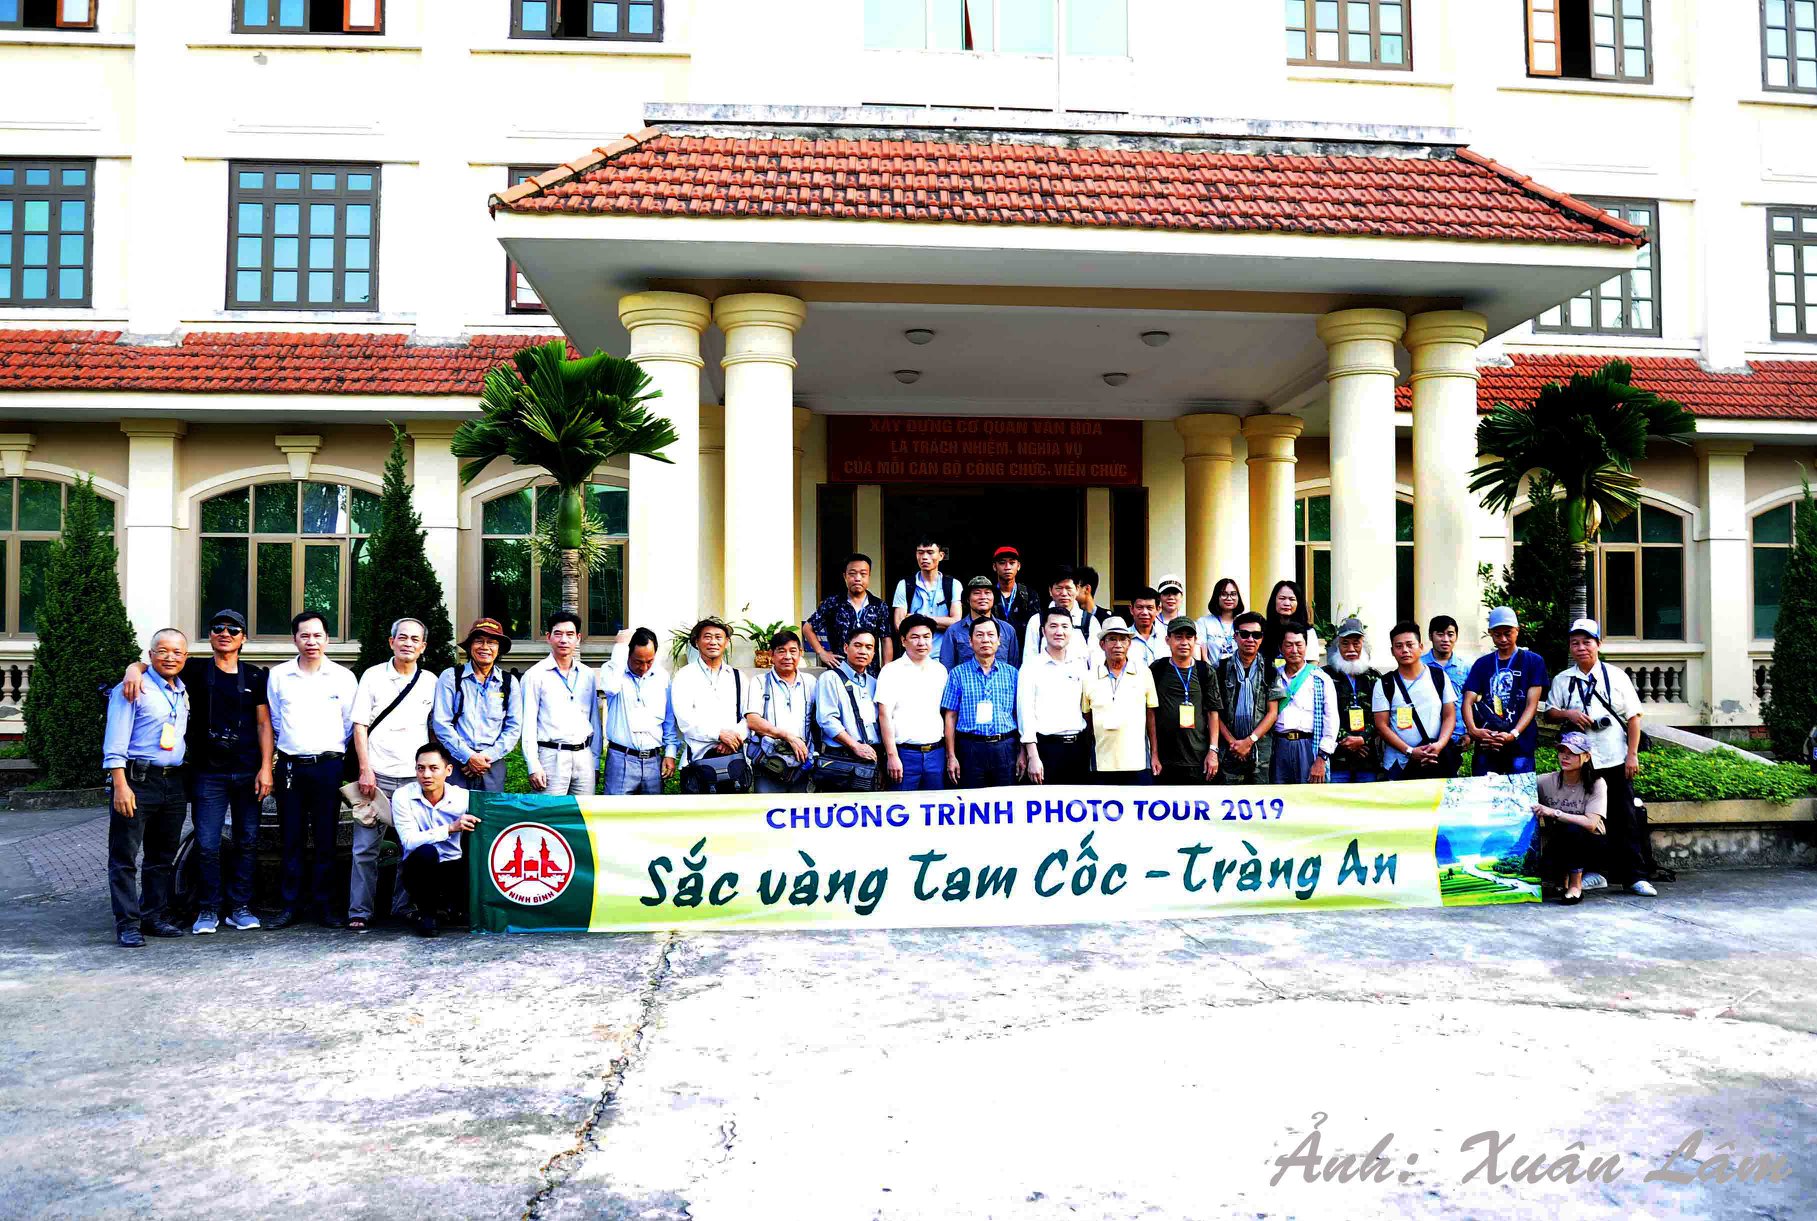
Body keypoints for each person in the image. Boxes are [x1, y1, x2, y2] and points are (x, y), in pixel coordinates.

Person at [120, 608, 273, 934]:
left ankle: (240, 906)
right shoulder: (194, 669)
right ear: (210, 635)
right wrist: (133, 669)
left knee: (247, 840)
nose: (225, 633)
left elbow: (264, 725)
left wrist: (266, 768)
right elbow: (157, 663)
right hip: (208, 774)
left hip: (248, 772)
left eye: (233, 629)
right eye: (218, 627)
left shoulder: (256, 676)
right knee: (206, 843)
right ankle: (208, 908)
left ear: (243, 638)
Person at [1547, 619, 1655, 897]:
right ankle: (1594, 873)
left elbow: (1633, 718)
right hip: (1581, 763)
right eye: (1575, 643)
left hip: (1614, 757)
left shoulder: (1616, 677)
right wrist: (1569, 714)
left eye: (1587, 642)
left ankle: (1634, 876)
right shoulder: (1563, 680)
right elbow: (1550, 712)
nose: (1581, 647)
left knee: (1625, 817)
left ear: (1598, 644)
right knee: (1584, 818)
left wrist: (1632, 755)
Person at [266, 611, 357, 929]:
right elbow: (276, 721)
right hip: (291, 767)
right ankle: (290, 904)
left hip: (328, 767)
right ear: (294, 639)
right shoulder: (279, 675)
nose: (311, 641)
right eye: (304, 635)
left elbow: (349, 724)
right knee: (289, 838)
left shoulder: (343, 677)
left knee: (325, 839)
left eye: (317, 635)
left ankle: (326, 906)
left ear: (327, 639)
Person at [348, 616, 438, 931]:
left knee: (412, 847)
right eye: (402, 637)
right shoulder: (373, 676)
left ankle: (405, 907)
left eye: (415, 639)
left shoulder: (430, 681)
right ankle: (360, 910)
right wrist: (365, 769)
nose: (408, 643)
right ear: (391, 641)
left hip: (415, 780)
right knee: (365, 848)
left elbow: (434, 729)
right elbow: (360, 725)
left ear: (423, 646)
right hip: (377, 776)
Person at [103, 628, 192, 947]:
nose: (170, 657)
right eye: (162, 651)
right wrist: (120, 785)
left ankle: (153, 915)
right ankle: (128, 923)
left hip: (173, 782)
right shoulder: (132, 687)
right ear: (150, 654)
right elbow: (115, 740)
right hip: (136, 781)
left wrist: (134, 666)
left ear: (185, 657)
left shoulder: (181, 690)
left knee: (162, 855)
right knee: (124, 856)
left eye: (177, 652)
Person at [390, 742, 480, 937]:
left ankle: (458, 908)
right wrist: (449, 828)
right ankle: (427, 914)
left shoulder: (463, 797)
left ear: (448, 770)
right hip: (420, 869)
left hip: (455, 868)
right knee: (424, 851)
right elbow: (408, 841)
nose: (426, 775)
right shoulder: (403, 796)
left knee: (473, 840)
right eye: (420, 768)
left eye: (433, 768)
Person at [432, 617, 521, 794]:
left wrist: (484, 758)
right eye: (479, 641)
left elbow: (513, 728)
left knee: (490, 810)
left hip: (492, 764)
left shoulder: (509, 682)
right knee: (454, 809)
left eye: (491, 642)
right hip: (456, 761)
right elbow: (441, 723)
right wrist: (468, 756)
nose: (485, 647)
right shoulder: (451, 677)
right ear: (470, 646)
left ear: (499, 649)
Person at [522, 611, 602, 795]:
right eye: (558, 634)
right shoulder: (534, 675)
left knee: (582, 812)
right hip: (551, 757)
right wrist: (533, 765)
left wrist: (595, 762)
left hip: (584, 757)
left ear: (578, 638)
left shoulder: (587, 675)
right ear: (548, 637)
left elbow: (594, 721)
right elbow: (528, 724)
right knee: (550, 812)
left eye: (570, 634)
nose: (564, 640)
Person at [1463, 607, 1549, 776]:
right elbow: (1468, 700)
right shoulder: (1482, 664)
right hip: (1488, 742)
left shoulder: (1533, 661)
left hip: (1520, 744)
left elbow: (1531, 705)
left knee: (1520, 790)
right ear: (1490, 633)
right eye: (1497, 634)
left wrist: (1513, 734)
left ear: (1517, 630)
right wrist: (1473, 730)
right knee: (1485, 789)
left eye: (1508, 633)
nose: (1503, 639)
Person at [1373, 621, 1458, 781]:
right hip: (1400, 763)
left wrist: (1439, 745)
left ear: (1421, 646)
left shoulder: (1438, 676)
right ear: (1392, 651)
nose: (1405, 650)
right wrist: (1410, 751)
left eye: (1410, 645)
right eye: (1399, 646)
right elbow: (1381, 725)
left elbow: (1449, 715)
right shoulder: (1385, 683)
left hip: (1436, 758)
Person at [941, 617, 1021, 788]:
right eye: (979, 635)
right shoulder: (957, 674)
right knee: (971, 799)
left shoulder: (1012, 674)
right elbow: (950, 716)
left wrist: (1022, 752)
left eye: (991, 635)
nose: (985, 639)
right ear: (970, 641)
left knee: (1005, 800)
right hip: (970, 748)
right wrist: (951, 756)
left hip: (1005, 747)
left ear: (999, 640)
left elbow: (1020, 715)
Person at [1018, 607, 1092, 786]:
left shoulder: (1079, 665)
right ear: (1043, 631)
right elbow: (1025, 712)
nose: (1059, 632)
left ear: (1072, 632)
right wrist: (1032, 755)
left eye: (1065, 627)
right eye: (1053, 626)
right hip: (1046, 749)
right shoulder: (1031, 666)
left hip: (1078, 747)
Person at [1534, 731, 1608, 906]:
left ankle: (1575, 886)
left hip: (1591, 843)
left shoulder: (1597, 783)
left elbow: (1591, 824)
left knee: (1573, 830)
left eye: (1573, 753)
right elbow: (1519, 788)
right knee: (1545, 864)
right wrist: (1496, 781)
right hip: (1558, 841)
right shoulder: (1546, 781)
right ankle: (1561, 880)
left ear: (1586, 757)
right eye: (1562, 751)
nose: (1565, 757)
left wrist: (1554, 812)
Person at [875, 614, 948, 791]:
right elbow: (884, 716)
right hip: (904, 754)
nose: (921, 642)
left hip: (936, 753)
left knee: (935, 806)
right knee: (901, 806)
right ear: (903, 641)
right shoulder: (891, 671)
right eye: (915, 637)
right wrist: (892, 755)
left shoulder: (940, 670)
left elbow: (946, 713)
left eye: (926, 636)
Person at [1083, 616, 1159, 784]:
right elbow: (1087, 719)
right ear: (1102, 644)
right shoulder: (1089, 677)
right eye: (1112, 639)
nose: (1118, 645)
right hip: (1102, 763)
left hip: (1137, 761)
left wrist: (1154, 754)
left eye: (1123, 639)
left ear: (1129, 644)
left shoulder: (1143, 673)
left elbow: (1151, 716)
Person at [599, 626, 674, 796]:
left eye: (649, 661)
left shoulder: (662, 677)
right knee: (616, 811)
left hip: (653, 761)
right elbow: (610, 687)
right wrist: (620, 647)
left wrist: (670, 753)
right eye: (638, 662)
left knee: (653, 811)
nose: (644, 667)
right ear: (628, 654)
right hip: (621, 759)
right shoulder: (613, 671)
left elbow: (668, 719)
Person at [1151, 618, 1223, 785]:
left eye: (1189, 637)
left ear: (1195, 640)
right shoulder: (1157, 669)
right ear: (1167, 640)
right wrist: (1153, 753)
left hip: (1198, 758)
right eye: (1178, 637)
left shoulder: (1205, 671)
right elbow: (1150, 712)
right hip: (1165, 759)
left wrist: (1213, 751)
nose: (1184, 642)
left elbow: (1213, 712)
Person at [668, 616, 747, 767]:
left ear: (726, 642)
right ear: (696, 642)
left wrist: (732, 740)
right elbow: (685, 721)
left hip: (733, 761)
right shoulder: (684, 676)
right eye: (707, 637)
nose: (713, 642)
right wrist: (719, 735)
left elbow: (748, 717)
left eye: (718, 637)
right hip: (696, 762)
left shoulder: (738, 677)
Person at [805, 552, 893, 676]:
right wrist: (822, 652)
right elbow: (807, 628)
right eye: (852, 573)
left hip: (870, 673)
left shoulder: (879, 605)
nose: (857, 578)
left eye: (863, 574)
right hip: (840, 671)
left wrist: (886, 671)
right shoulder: (833, 603)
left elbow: (886, 639)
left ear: (869, 576)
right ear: (845, 576)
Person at [1270, 624, 1336, 783]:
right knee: (1279, 794)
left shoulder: (1320, 678)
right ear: (1281, 648)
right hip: (1279, 746)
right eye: (1289, 645)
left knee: (1311, 795)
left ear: (1306, 647)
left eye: (1299, 645)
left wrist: (1322, 758)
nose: (1294, 650)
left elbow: (1331, 719)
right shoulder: (1273, 677)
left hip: (1309, 746)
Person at [1217, 611, 1279, 784]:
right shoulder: (1221, 669)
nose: (1250, 639)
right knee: (1228, 797)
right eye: (1244, 634)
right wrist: (1233, 743)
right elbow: (1214, 712)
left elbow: (1272, 712)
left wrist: (1249, 741)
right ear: (1235, 636)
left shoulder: (1269, 669)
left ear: (1262, 638)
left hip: (1260, 751)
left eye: (1256, 635)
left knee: (1260, 797)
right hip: (1229, 749)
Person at [815, 628, 881, 781]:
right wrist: (855, 746)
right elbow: (827, 720)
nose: (863, 651)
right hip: (842, 758)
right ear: (846, 648)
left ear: (873, 653)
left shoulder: (874, 683)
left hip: (871, 757)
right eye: (857, 645)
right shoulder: (830, 678)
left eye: (868, 647)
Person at [1323, 617, 1383, 784]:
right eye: (1345, 643)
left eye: (1356, 643)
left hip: (1367, 758)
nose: (1351, 649)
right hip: (1337, 758)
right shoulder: (1325, 675)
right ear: (1337, 645)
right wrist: (1346, 740)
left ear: (1363, 644)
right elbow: (1321, 714)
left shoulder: (1374, 677)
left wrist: (1362, 739)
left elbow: (1381, 715)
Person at [891, 536, 963, 653]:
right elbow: (899, 625)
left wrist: (920, 618)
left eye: (930, 552)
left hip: (944, 654)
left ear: (941, 556)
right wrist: (942, 622)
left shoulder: (953, 584)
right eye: (920, 552)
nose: (924, 557)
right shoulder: (904, 584)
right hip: (913, 654)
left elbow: (956, 623)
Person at [1022, 565, 1098, 664]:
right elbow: (1029, 660)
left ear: (1077, 589)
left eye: (1068, 588)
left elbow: (1096, 663)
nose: (1064, 593)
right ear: (1050, 590)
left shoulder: (1089, 622)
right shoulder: (1037, 621)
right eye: (1059, 588)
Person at [941, 575, 1019, 668]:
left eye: (987, 593)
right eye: (977, 593)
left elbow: (1014, 667)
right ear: (968, 599)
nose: (983, 597)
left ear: (993, 598)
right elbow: (947, 667)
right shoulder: (953, 631)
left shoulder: (1008, 630)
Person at [1423, 614, 1471, 759]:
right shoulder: (1419, 666)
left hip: (1456, 736)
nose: (1445, 639)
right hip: (1425, 736)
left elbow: (1469, 703)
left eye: (1450, 634)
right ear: (1430, 636)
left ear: (1456, 636)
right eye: (1440, 634)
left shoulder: (1465, 668)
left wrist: (1468, 732)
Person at [1261, 580, 1322, 668]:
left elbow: (1312, 665)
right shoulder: (1264, 630)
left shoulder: (1308, 632)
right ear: (1274, 601)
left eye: (1292, 599)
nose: (1286, 603)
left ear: (1298, 603)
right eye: (1282, 598)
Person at [1195, 577, 1243, 665]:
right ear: (1216, 596)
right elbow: (1203, 656)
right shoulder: (1204, 622)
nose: (1229, 598)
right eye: (1224, 594)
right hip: (1213, 670)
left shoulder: (1243, 621)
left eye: (1233, 594)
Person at [991, 545, 1037, 630]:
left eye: (1012, 563)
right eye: (1002, 563)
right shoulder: (989, 594)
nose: (1007, 567)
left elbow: (1036, 626)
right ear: (994, 567)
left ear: (1018, 566)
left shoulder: (1029, 594)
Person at [1126, 587, 1165, 668]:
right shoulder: (1122, 638)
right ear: (1131, 609)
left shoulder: (1166, 638)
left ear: (1158, 609)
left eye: (1149, 608)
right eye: (1140, 607)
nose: (1144, 612)